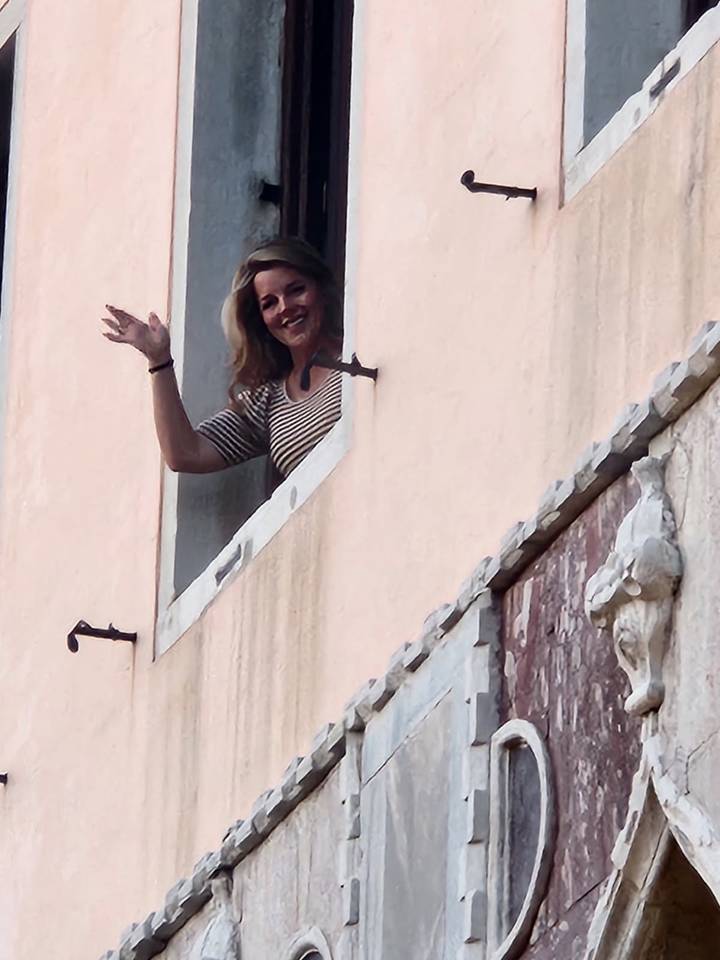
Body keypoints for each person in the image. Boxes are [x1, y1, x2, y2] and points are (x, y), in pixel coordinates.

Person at [101, 238, 343, 481]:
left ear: (320, 289)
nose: (284, 308)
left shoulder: (359, 356)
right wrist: (158, 359)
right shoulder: (266, 402)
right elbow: (185, 453)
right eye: (269, 303)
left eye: (296, 290)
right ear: (259, 319)